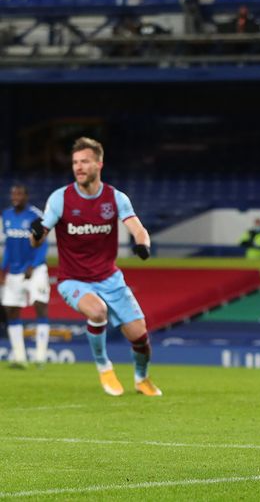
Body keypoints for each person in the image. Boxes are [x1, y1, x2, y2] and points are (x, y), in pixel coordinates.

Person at [30, 137, 162, 397]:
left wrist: (142, 245)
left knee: (140, 338)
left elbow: (138, 228)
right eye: (75, 163)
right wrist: (35, 233)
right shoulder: (60, 198)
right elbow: (38, 238)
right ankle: (104, 366)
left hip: (109, 278)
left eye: (85, 162)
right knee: (97, 311)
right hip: (73, 279)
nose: (79, 167)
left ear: (99, 164)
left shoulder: (115, 198)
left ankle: (141, 378)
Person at [2, 184, 51, 368]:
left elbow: (43, 243)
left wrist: (34, 264)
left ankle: (40, 357)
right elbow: (8, 245)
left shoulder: (35, 215)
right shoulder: (6, 215)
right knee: (11, 310)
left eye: (19, 194)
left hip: (35, 270)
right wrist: (3, 268)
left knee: (40, 306)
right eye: (13, 193)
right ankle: (20, 357)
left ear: (26, 196)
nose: (16, 196)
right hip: (14, 271)